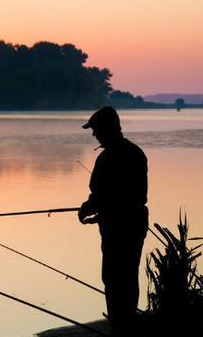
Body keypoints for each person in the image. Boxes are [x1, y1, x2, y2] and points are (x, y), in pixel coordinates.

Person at [78, 106, 149, 333]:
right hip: (136, 223)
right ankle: (126, 321)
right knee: (129, 274)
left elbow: (101, 195)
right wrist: (97, 209)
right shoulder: (135, 152)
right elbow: (135, 195)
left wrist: (87, 208)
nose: (94, 134)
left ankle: (118, 325)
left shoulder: (108, 158)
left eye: (96, 129)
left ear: (106, 129)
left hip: (116, 227)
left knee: (113, 275)